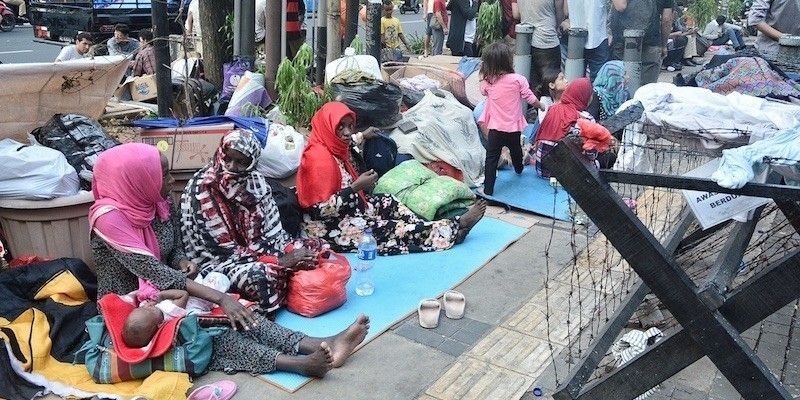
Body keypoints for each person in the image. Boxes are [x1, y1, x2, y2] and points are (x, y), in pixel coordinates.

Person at [90, 142, 370, 378]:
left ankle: (317, 343)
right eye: (163, 175)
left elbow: (173, 249)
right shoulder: (109, 219)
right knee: (207, 331)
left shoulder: (156, 201)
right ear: (138, 179)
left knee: (239, 314)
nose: (171, 181)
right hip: (130, 308)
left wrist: (182, 260)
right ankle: (297, 364)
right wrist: (221, 298)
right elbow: (152, 270)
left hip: (169, 290)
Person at [296, 102, 488, 255]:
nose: (347, 132)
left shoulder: (334, 146)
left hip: (350, 208)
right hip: (327, 227)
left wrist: (362, 135)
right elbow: (319, 211)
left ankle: (428, 227)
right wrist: (355, 188)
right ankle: (455, 228)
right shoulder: (318, 160)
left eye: (350, 126)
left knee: (388, 200)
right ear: (328, 128)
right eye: (340, 127)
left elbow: (350, 140)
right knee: (389, 230)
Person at [181, 130, 320, 315]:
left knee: (313, 247)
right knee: (262, 277)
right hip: (220, 263)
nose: (231, 166)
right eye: (228, 158)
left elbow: (273, 231)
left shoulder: (256, 182)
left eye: (241, 162)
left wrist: (290, 251)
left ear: (252, 163)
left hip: (259, 251)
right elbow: (222, 251)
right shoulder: (203, 188)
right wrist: (280, 261)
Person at [478, 43, 543, 195]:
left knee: (491, 159)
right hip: (513, 127)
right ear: (508, 61)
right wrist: (541, 105)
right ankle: (519, 168)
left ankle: (488, 190)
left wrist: (484, 75)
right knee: (516, 151)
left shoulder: (489, 82)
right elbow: (530, 97)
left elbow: (483, 91)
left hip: (495, 128)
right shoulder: (518, 79)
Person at [533, 77, 593, 177]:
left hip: (542, 169)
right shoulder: (585, 118)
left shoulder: (552, 108)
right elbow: (590, 154)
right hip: (567, 176)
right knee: (598, 162)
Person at [610, 0, 674, 85]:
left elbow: (619, 7)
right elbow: (666, 20)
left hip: (624, 43)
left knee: (621, 85)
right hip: (651, 43)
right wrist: (664, 45)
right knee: (647, 89)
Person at [519, 0, 564, 94]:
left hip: (526, 39)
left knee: (533, 82)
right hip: (547, 39)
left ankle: (537, 106)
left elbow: (517, 13)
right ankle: (548, 107)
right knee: (551, 83)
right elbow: (560, 12)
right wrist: (557, 27)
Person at [561, 0, 610, 80]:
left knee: (574, 78)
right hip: (597, 36)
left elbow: (566, 11)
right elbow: (620, 6)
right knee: (599, 80)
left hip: (575, 37)